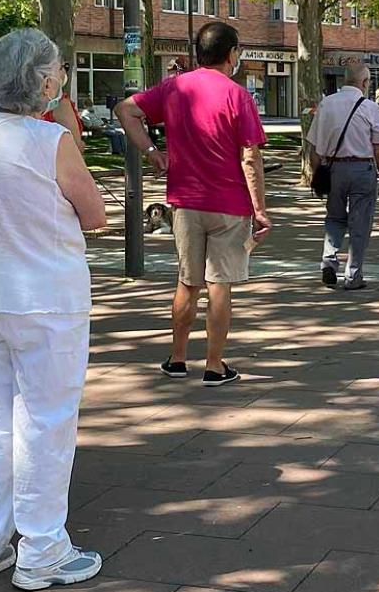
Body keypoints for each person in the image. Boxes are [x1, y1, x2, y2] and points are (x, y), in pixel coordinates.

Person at [0, 29, 107, 590]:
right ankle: (42, 546)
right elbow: (95, 214)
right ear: (42, 80)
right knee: (45, 421)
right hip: (44, 297)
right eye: (55, 71)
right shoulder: (49, 140)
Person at [115, 21, 270, 382]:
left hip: (185, 202)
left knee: (188, 282)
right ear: (232, 54)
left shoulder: (174, 88)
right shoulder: (238, 96)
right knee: (220, 285)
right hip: (230, 205)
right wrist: (260, 209)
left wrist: (152, 151)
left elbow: (126, 110)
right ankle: (215, 365)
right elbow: (250, 157)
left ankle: (178, 358)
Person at [306, 63, 379, 290]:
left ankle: (329, 261)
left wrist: (316, 175)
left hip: (333, 169)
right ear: (364, 83)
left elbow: (314, 148)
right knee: (360, 223)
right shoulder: (370, 108)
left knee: (334, 217)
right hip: (362, 169)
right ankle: (353, 276)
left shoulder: (326, 104)